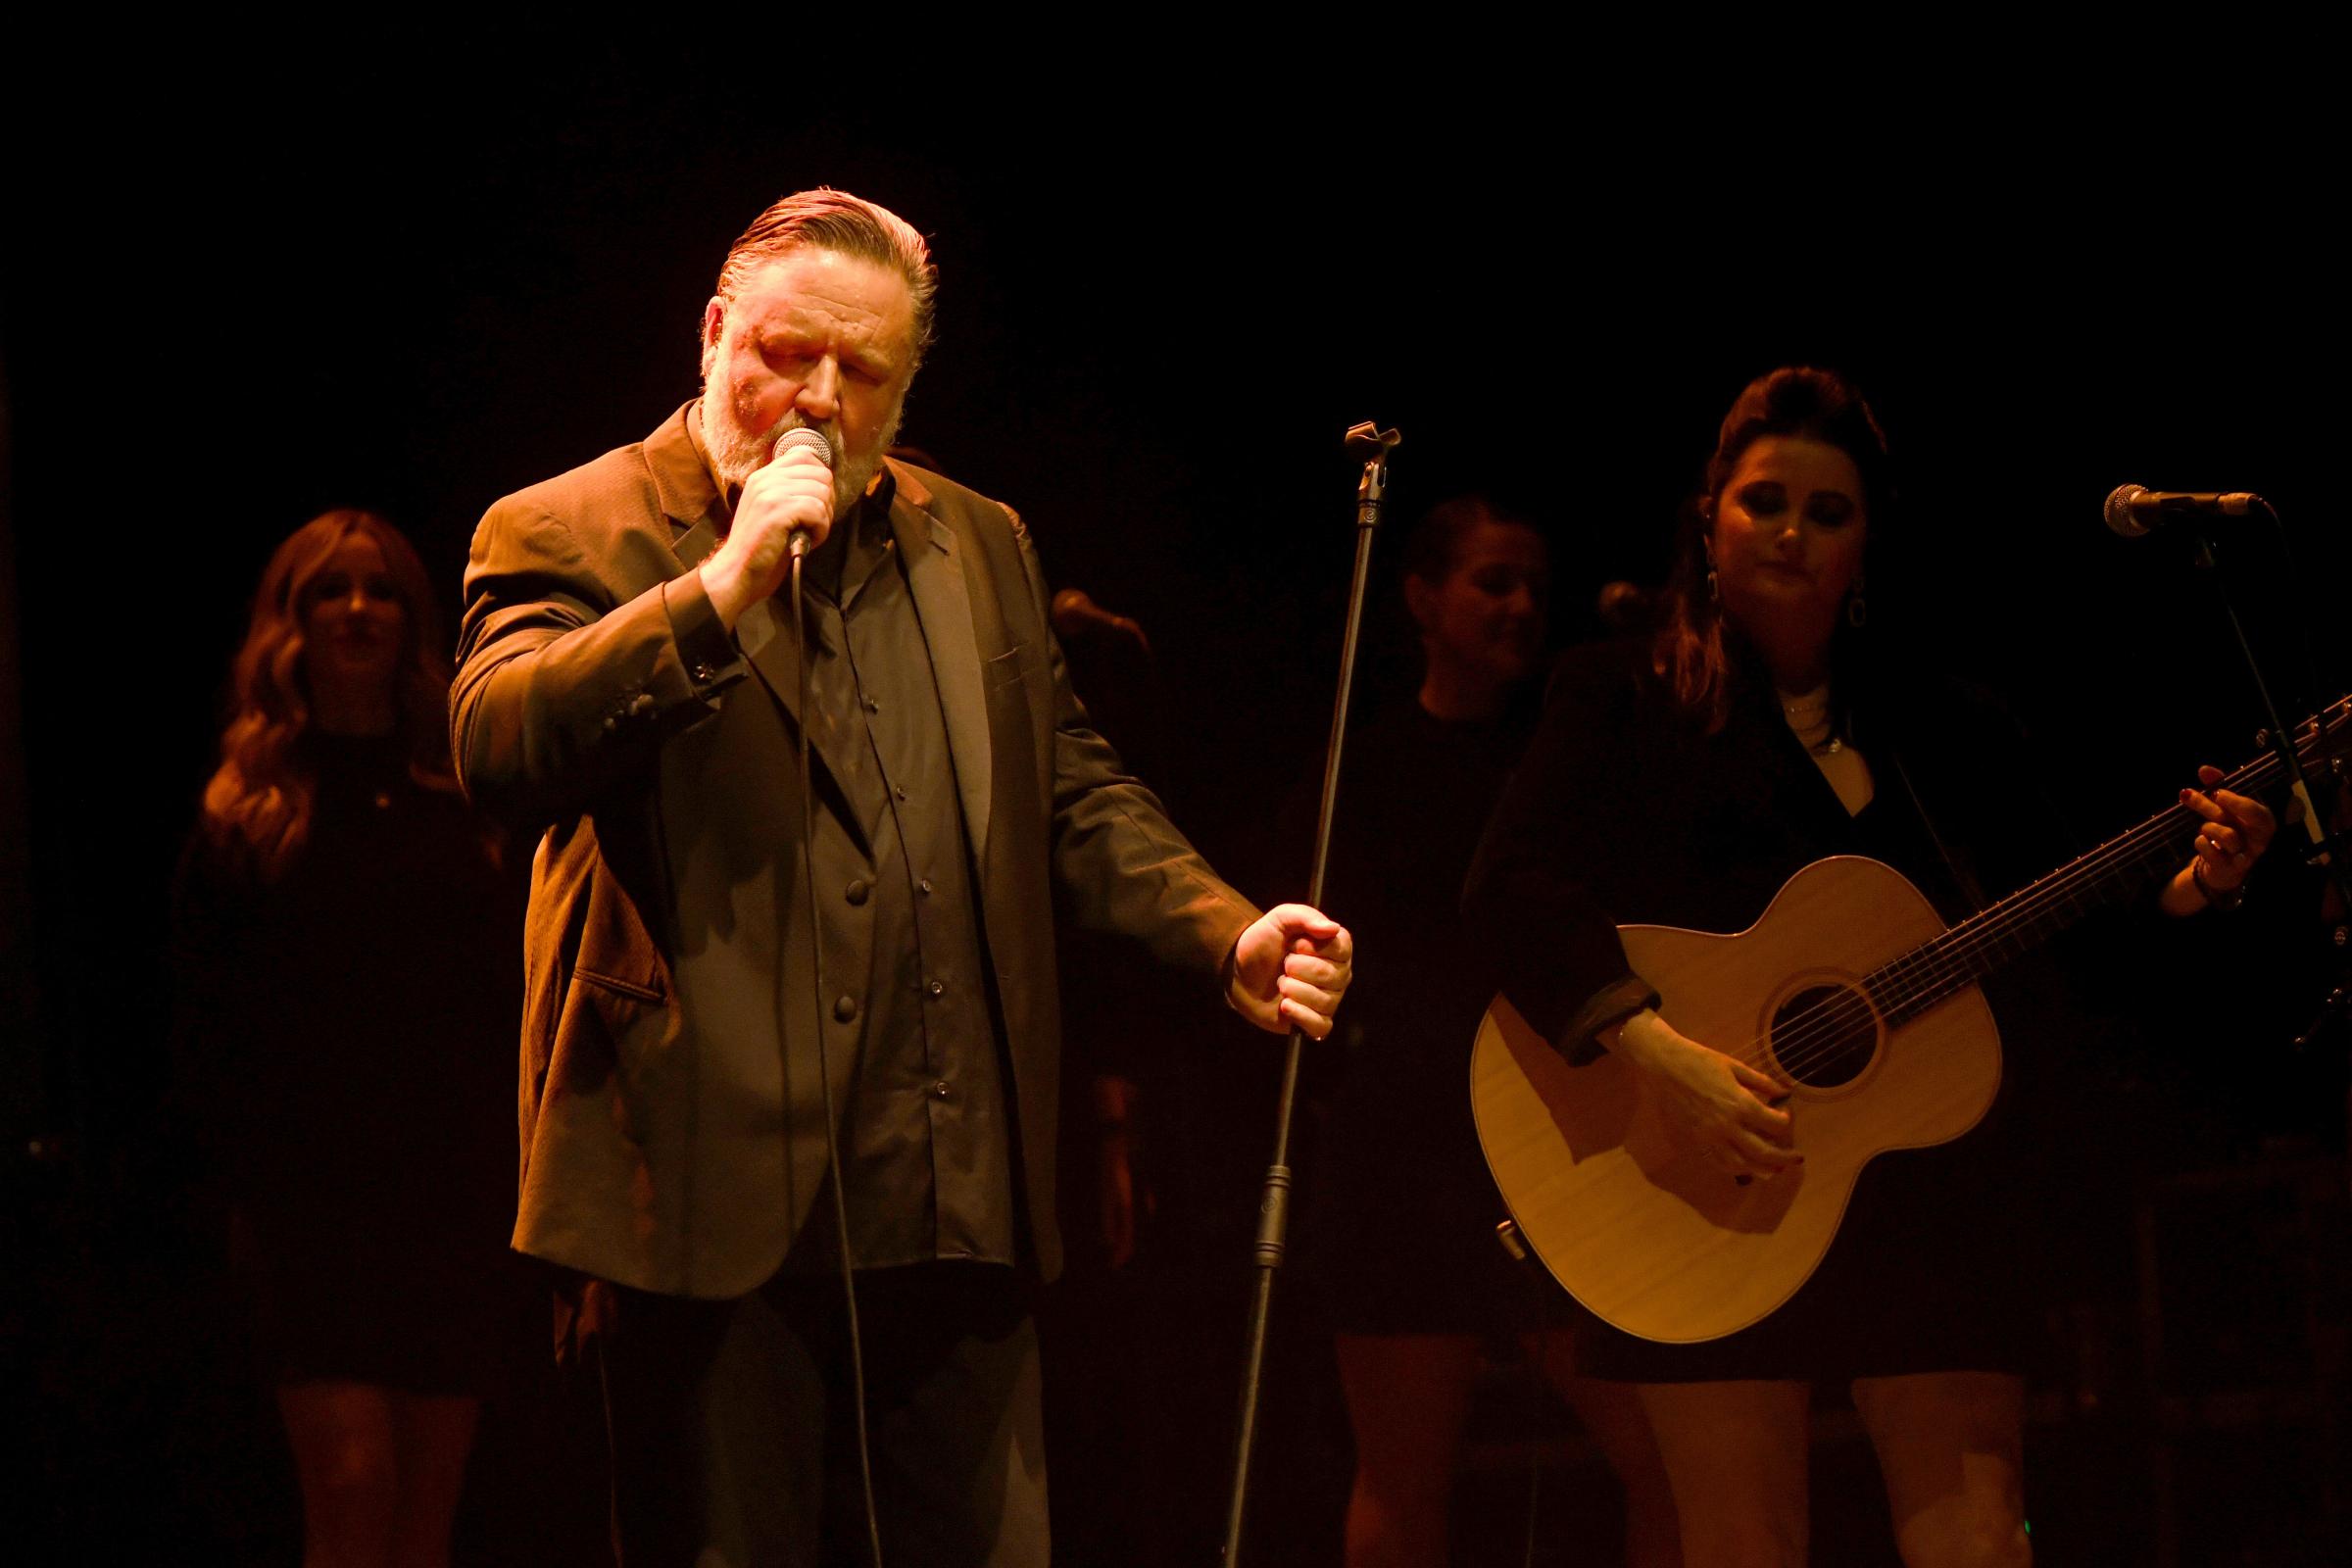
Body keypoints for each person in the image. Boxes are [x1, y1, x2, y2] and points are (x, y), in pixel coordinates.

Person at [448, 187, 1354, 1567]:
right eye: (781, 354)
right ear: (711, 334)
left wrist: (1224, 935)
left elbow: (1066, 785)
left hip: (951, 1198)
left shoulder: (977, 539)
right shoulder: (571, 527)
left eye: (859, 371)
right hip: (702, 1208)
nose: (813, 398)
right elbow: (496, 741)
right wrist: (727, 582)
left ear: (905, 387)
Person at [1463, 367, 2276, 1568]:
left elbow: (2064, 914)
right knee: (1744, 1544)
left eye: (1827, 511)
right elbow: (1509, 892)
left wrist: (2196, 879)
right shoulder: (1617, 694)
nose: (1792, 532)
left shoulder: (1945, 721)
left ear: (1865, 542)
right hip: (1701, 1165)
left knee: (1984, 1544)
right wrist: (1655, 1048)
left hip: (1927, 1182)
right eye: (1765, 501)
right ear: (1709, 518)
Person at [1308, 497, 1681, 1568]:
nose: (1522, 607)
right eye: (1493, 582)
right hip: (1410, 1153)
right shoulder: (1366, 765)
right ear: (1423, 598)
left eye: (1534, 587)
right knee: (1403, 1479)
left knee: (1661, 1456)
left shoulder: (1569, 754)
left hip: (1571, 1127)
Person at [172, 510, 521, 1568]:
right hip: (311, 1208)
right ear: (295, 620)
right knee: (353, 1484)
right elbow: (204, 1025)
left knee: (425, 1517)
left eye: (380, 590)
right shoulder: (250, 813)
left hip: (447, 1202)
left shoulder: (464, 809)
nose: (359, 609)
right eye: (332, 589)